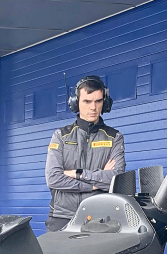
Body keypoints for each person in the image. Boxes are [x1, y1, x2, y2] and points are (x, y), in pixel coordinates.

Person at [44, 75, 125, 231]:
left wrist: (77, 173)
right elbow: (53, 178)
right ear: (76, 103)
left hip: (100, 216)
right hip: (62, 217)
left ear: (105, 103)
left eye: (98, 101)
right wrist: (94, 185)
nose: (93, 107)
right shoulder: (61, 136)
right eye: (87, 101)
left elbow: (116, 179)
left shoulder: (114, 138)